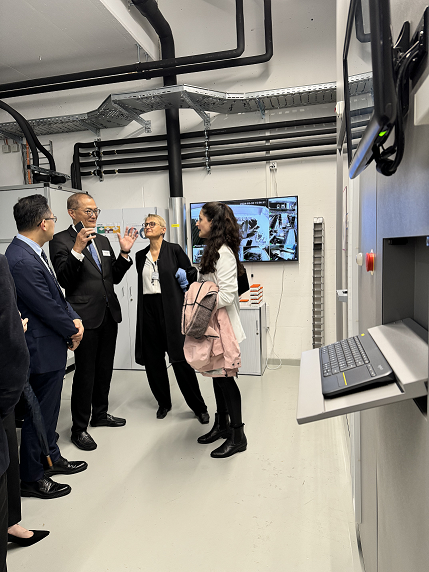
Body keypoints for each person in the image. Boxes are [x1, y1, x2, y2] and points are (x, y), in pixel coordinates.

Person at [5, 195, 87, 499]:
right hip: (39, 349)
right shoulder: (21, 259)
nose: (55, 222)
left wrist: (75, 319)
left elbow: (57, 296)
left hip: (50, 344)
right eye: (53, 218)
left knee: (48, 411)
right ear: (43, 223)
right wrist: (72, 330)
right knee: (38, 415)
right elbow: (45, 306)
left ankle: (51, 457)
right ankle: (32, 476)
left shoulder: (31, 253)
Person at [49, 192, 138, 451]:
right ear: (72, 213)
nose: (94, 215)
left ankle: (100, 413)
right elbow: (65, 280)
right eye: (88, 211)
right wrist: (77, 249)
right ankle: (80, 428)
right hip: (84, 318)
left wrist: (124, 253)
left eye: (96, 211)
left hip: (109, 314)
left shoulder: (102, 239)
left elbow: (113, 278)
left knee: (104, 369)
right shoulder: (60, 241)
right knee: (85, 374)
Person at [135, 214, 209, 422]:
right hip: (148, 310)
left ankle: (199, 407)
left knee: (180, 360)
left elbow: (191, 272)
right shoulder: (140, 256)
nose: (148, 227)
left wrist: (186, 276)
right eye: (146, 224)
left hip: (171, 308)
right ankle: (163, 403)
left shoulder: (174, 249)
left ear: (163, 229)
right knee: (153, 361)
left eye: (152, 224)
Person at [195, 202, 247, 458]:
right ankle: (222, 425)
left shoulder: (224, 253)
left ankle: (238, 435)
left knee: (226, 381)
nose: (197, 223)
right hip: (213, 325)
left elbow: (226, 294)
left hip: (222, 326)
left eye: (201, 219)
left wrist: (198, 302)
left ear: (213, 223)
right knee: (217, 377)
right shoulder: (213, 251)